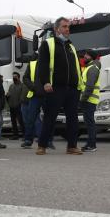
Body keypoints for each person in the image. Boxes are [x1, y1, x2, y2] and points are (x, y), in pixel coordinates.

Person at [35, 17, 84, 155]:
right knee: (50, 117)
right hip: (55, 87)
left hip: (72, 89)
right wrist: (45, 82)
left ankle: (72, 146)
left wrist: (79, 86)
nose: (67, 29)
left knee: (73, 119)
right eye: (64, 26)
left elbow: (77, 68)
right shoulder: (47, 44)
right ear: (57, 29)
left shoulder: (71, 46)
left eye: (68, 26)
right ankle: (42, 145)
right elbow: (42, 65)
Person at [21, 60, 53, 149]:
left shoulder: (52, 63)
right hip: (35, 95)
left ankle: (49, 140)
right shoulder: (32, 64)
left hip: (49, 95)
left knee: (49, 118)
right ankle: (28, 140)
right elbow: (25, 78)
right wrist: (33, 87)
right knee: (30, 118)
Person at [80, 50, 101, 152]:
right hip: (89, 100)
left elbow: (89, 86)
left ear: (91, 57)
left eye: (87, 55)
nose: (85, 56)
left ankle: (92, 145)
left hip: (89, 100)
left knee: (90, 123)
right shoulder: (89, 67)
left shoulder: (92, 68)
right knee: (89, 123)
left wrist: (83, 99)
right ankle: (90, 144)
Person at [5, 72, 26, 139]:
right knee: (13, 121)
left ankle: (25, 135)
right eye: (13, 76)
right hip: (12, 106)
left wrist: (20, 103)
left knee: (21, 121)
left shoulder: (22, 86)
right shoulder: (11, 86)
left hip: (18, 106)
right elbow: (8, 94)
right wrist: (7, 97)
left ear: (18, 77)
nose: (14, 78)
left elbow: (22, 96)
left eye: (15, 76)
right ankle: (15, 135)